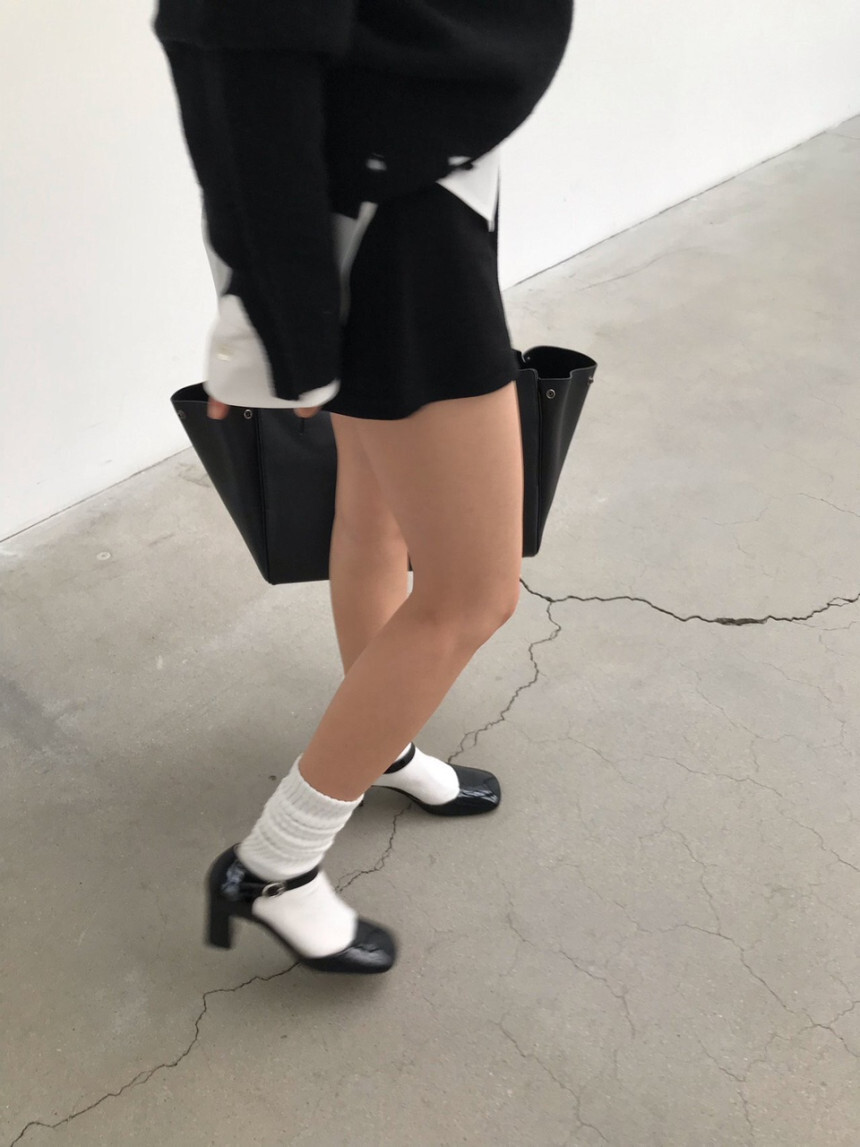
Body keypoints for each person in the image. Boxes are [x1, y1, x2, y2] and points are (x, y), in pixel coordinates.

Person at [153, 1, 575, 973]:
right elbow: (233, 58)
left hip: (428, 189)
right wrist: (282, 324)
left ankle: (379, 741)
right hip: (387, 237)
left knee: (372, 512)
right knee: (473, 592)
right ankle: (274, 864)